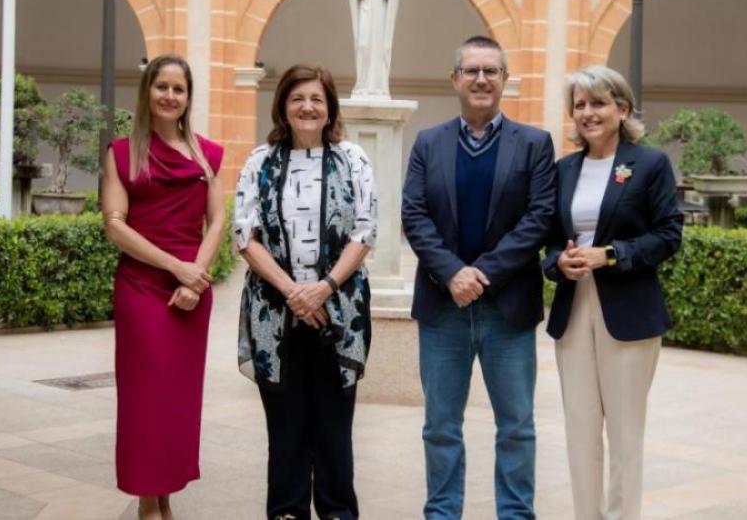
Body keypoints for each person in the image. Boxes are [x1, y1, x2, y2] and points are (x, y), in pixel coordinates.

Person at [401, 35, 557, 520]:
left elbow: (539, 218)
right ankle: (442, 513)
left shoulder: (534, 144)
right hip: (442, 308)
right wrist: (451, 274)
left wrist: (481, 274)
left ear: (505, 80)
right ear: (455, 79)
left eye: (491, 71)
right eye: (471, 70)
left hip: (507, 311)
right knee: (441, 426)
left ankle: (515, 514)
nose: (482, 79)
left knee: (516, 425)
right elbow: (414, 214)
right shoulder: (429, 142)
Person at [232, 64, 376, 520]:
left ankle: (337, 511)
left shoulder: (353, 158)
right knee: (286, 425)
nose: (307, 107)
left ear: (329, 107)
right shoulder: (259, 161)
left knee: (334, 426)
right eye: (297, 98)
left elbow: (366, 230)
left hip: (340, 310)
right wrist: (295, 292)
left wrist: (324, 289)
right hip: (275, 311)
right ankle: (288, 511)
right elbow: (244, 236)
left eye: (316, 98)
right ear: (283, 106)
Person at [541, 65, 683, 520]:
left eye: (598, 103)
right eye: (580, 105)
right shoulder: (563, 170)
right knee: (581, 428)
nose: (588, 113)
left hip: (629, 312)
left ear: (622, 109)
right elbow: (545, 241)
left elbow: (668, 235)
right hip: (573, 309)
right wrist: (557, 263)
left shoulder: (649, 164)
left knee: (624, 431)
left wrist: (613, 255)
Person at [101, 54, 226, 520]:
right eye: (162, 87)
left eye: (179, 89)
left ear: (189, 97)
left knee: (175, 401)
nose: (170, 96)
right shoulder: (120, 152)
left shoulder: (207, 155)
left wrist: (195, 275)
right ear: (147, 92)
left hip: (190, 292)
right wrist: (178, 267)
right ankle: (149, 503)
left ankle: (164, 494)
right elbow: (115, 225)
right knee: (143, 400)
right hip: (141, 287)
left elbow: (216, 222)